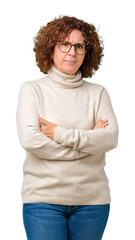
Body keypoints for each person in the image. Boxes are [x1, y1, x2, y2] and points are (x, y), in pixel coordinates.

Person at [16, 15, 119, 240]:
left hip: (92, 202)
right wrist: (89, 141)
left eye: (79, 46)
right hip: (43, 202)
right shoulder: (32, 90)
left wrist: (59, 134)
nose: (71, 52)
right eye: (64, 44)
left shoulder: (98, 93)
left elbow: (110, 138)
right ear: (50, 48)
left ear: (86, 53)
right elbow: (31, 141)